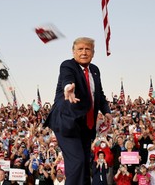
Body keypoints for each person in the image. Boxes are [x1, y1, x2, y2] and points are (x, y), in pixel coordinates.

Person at [44, 37, 112, 185]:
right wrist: (69, 87)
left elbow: (98, 93)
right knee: (77, 162)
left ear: (93, 53)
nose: (84, 52)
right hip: (66, 123)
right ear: (73, 51)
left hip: (86, 126)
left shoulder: (94, 70)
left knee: (85, 165)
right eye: (80, 49)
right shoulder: (68, 65)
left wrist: (106, 111)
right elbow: (67, 79)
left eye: (87, 49)